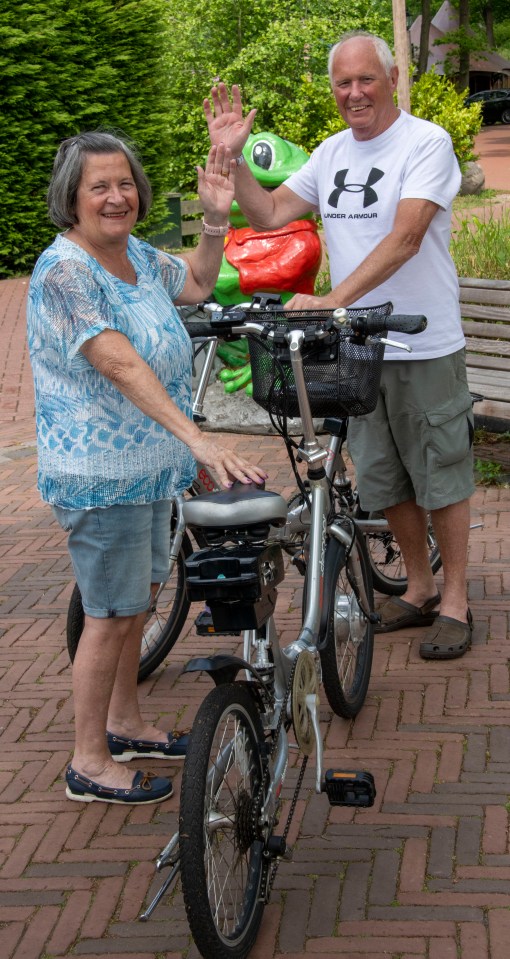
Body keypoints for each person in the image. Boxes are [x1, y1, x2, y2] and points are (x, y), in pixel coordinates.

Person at [202, 30, 475, 661]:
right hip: (361, 349)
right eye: (343, 83)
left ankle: (456, 600)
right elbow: (269, 213)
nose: (354, 92)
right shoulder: (330, 153)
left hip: (424, 342)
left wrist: (334, 298)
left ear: (393, 79)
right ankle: (420, 586)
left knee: (442, 473)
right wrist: (234, 158)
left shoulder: (426, 142)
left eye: (365, 80)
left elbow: (407, 238)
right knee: (385, 476)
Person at [27, 130, 267, 805]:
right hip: (100, 474)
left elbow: (193, 282)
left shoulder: (133, 253)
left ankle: (126, 722)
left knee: (137, 605)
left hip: (146, 468)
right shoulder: (65, 271)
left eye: (125, 182)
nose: (116, 195)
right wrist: (198, 438)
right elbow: (118, 360)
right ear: (71, 196)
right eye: (99, 185)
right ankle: (88, 759)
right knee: (108, 613)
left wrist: (216, 217)